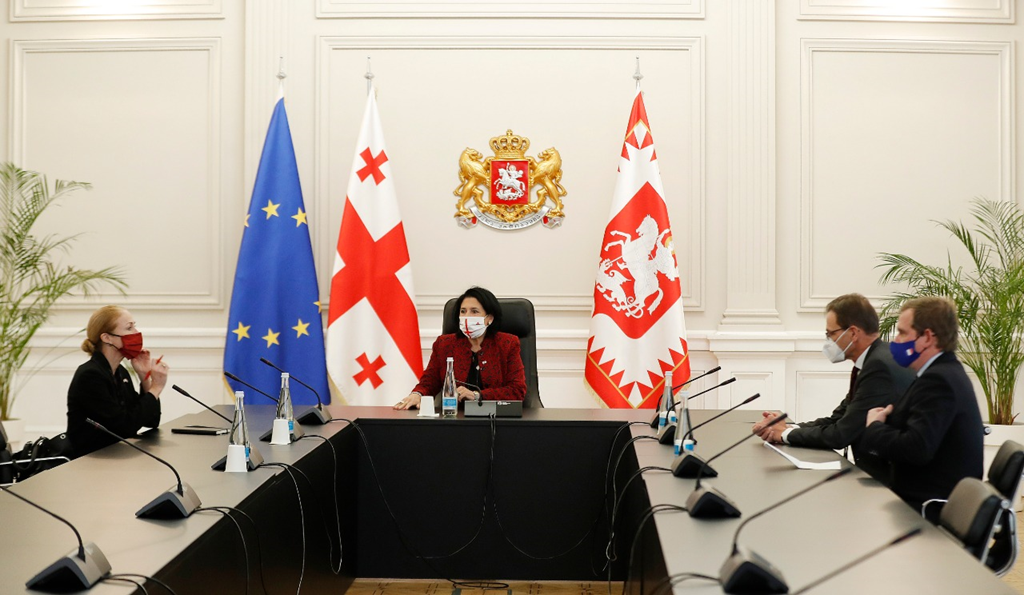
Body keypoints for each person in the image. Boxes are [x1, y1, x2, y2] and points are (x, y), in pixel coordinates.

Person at [752, 293, 914, 480]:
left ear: (853, 333)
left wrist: (784, 434)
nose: (829, 341)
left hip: (890, 482)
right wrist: (785, 427)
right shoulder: (872, 360)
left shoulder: (879, 367)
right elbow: (837, 419)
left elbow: (841, 434)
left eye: (831, 334)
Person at [860, 296, 984, 519]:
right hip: (917, 499)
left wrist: (875, 427)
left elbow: (917, 448)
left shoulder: (939, 380)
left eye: (902, 332)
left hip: (926, 509)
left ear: (927, 337)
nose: (896, 341)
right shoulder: (939, 373)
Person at [395, 287, 526, 410]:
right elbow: (429, 381)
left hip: (494, 418)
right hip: (455, 416)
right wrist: (418, 394)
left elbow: (517, 390)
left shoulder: (507, 344)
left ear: (489, 319)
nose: (467, 317)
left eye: (474, 311)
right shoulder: (444, 344)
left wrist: (477, 395)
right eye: (463, 311)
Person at [66, 306, 168, 458]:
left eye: (135, 325)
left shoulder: (120, 372)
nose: (136, 332)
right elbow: (124, 427)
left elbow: (151, 420)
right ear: (107, 338)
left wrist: (144, 376)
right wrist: (156, 387)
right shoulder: (90, 375)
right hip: (90, 462)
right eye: (129, 328)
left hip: (117, 457)